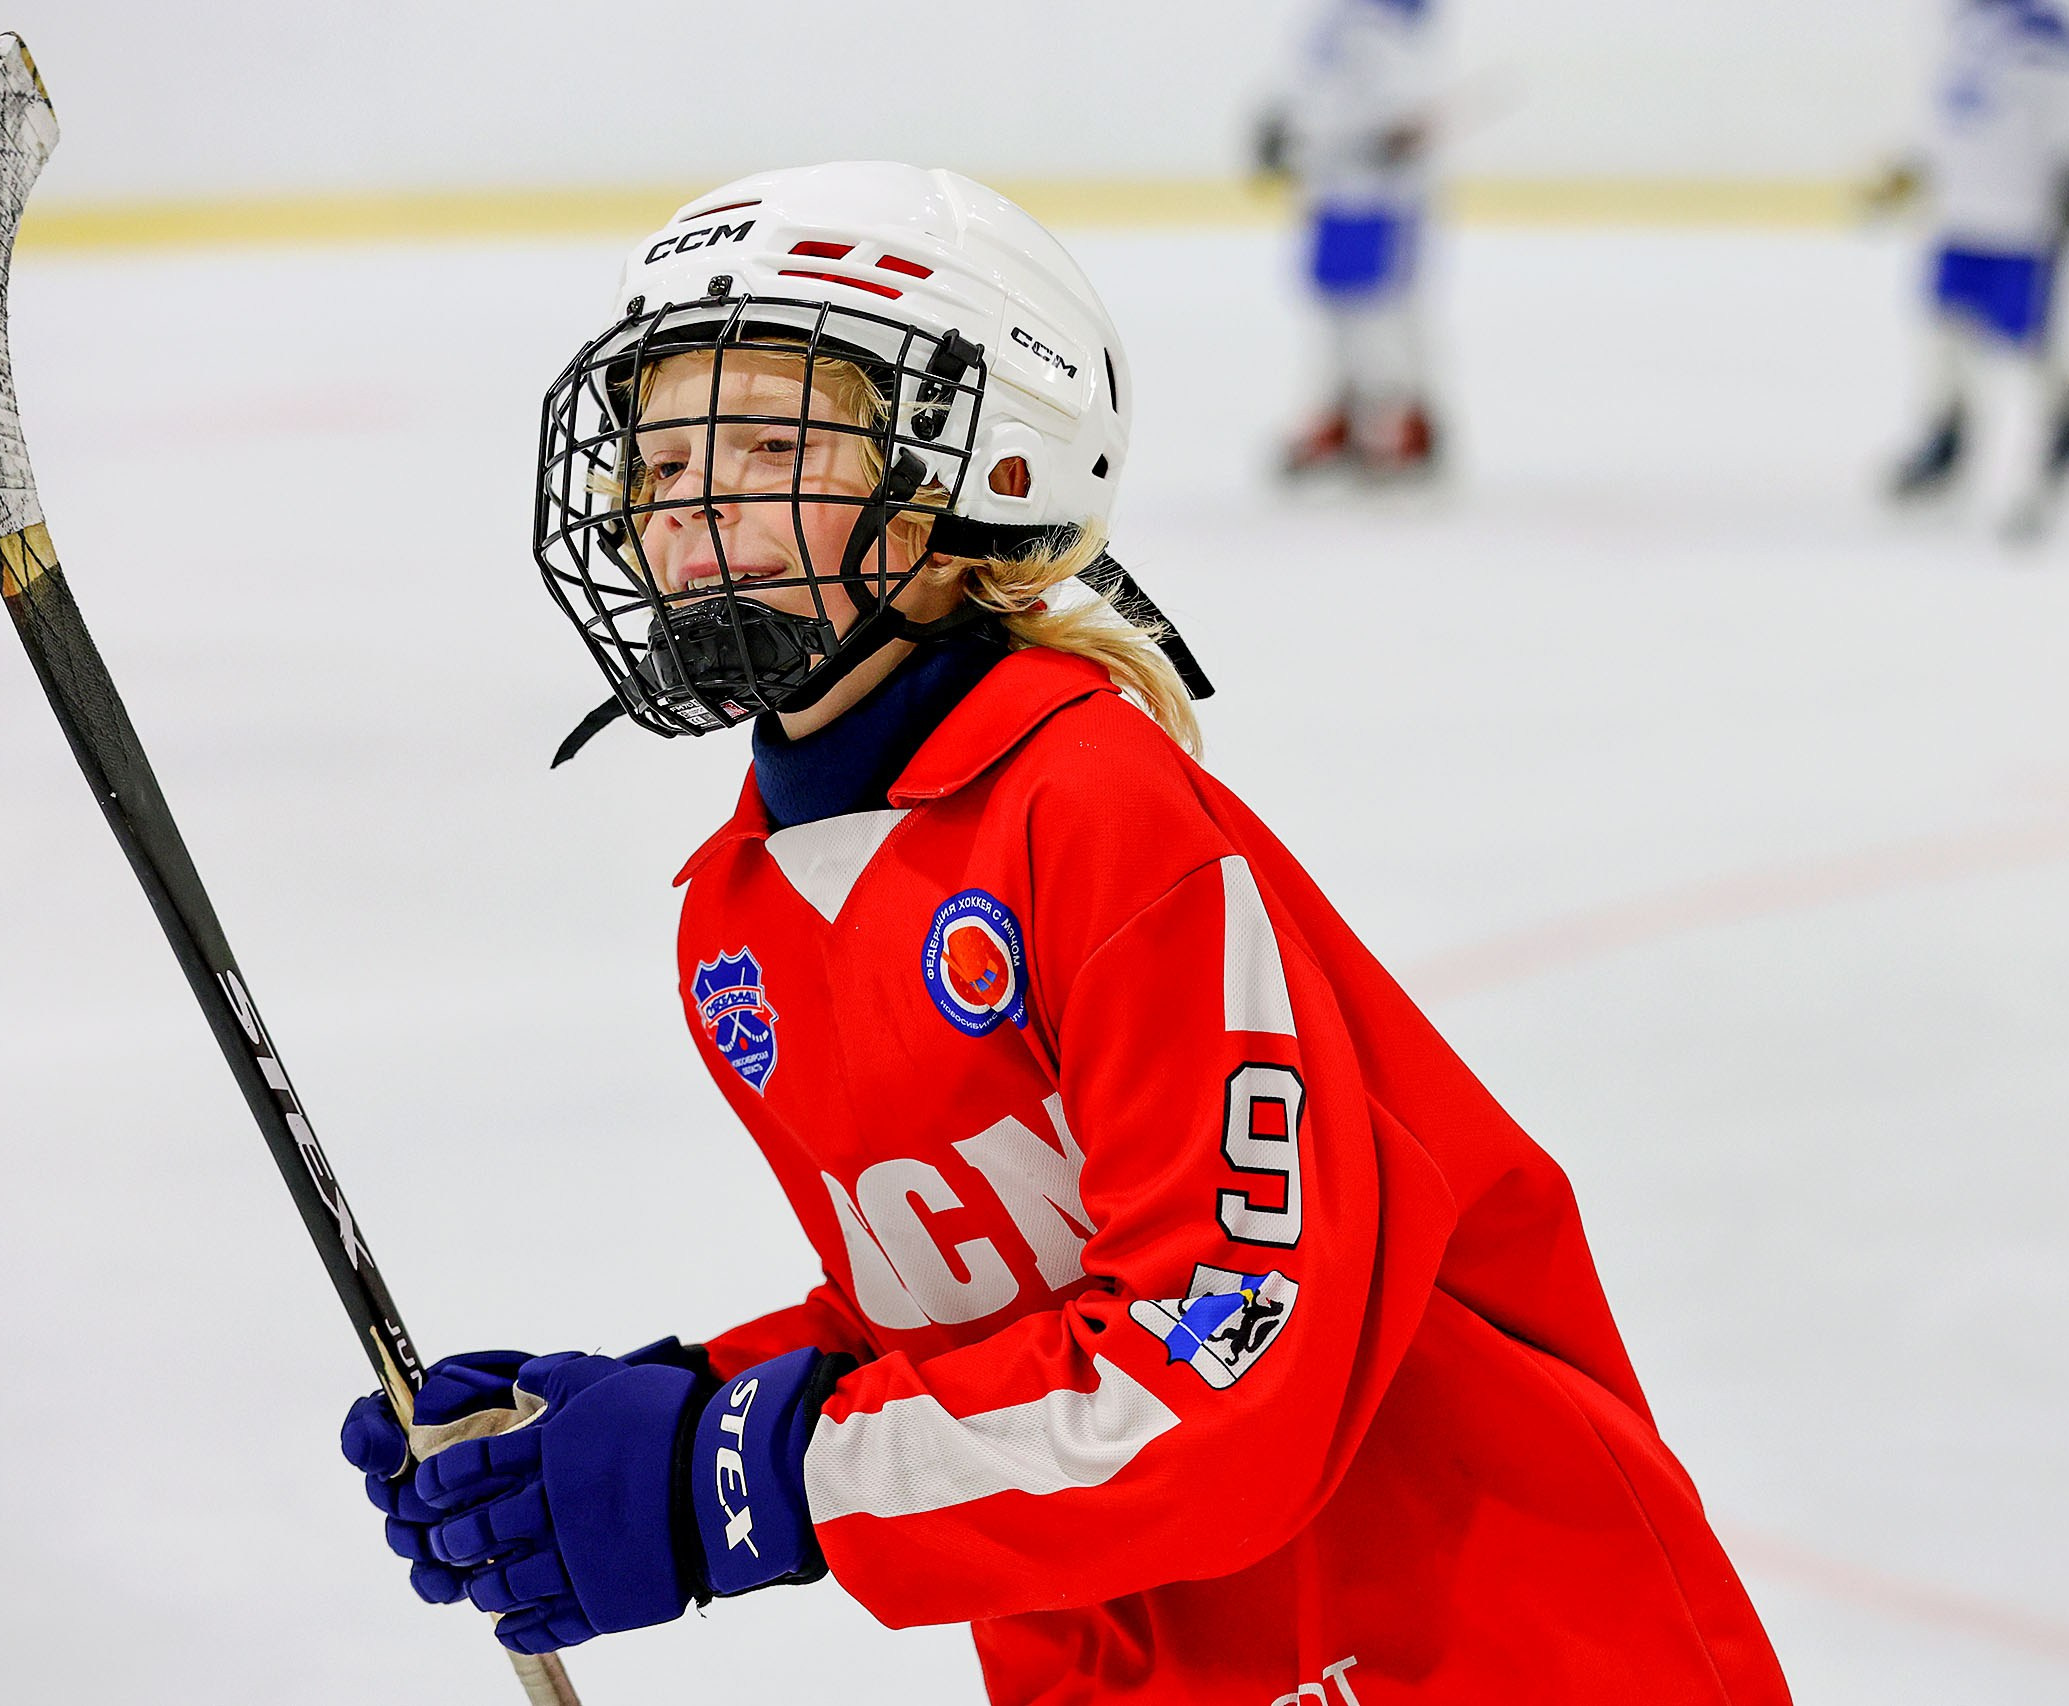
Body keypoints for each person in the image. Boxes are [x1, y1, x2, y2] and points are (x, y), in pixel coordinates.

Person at [339, 162, 1791, 1705]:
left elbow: (1213, 1366)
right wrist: (665, 1409)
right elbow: (977, 1309)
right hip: (1123, 1652)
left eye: (771, 445)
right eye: (661, 458)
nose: (697, 517)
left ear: (981, 467)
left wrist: (732, 1481)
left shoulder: (1094, 807)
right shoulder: (740, 917)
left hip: (1477, 1638)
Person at [1873, 0, 2069, 540]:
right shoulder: (1956, 19)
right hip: (1961, 208)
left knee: (2026, 339)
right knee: (1941, 320)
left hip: (2019, 212)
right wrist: (1918, 165)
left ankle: (2068, 413)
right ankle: (1947, 433)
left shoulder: (2044, 23)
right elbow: (1946, 107)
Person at [1256, 0, 1444, 483]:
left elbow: (1406, 108)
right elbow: (1314, 88)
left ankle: (1399, 419)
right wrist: (1287, 127)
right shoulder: (1337, 18)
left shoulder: (1385, 23)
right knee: (1336, 310)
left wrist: (1393, 134)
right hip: (1335, 190)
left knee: (1378, 315)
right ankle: (1342, 416)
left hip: (1378, 197)